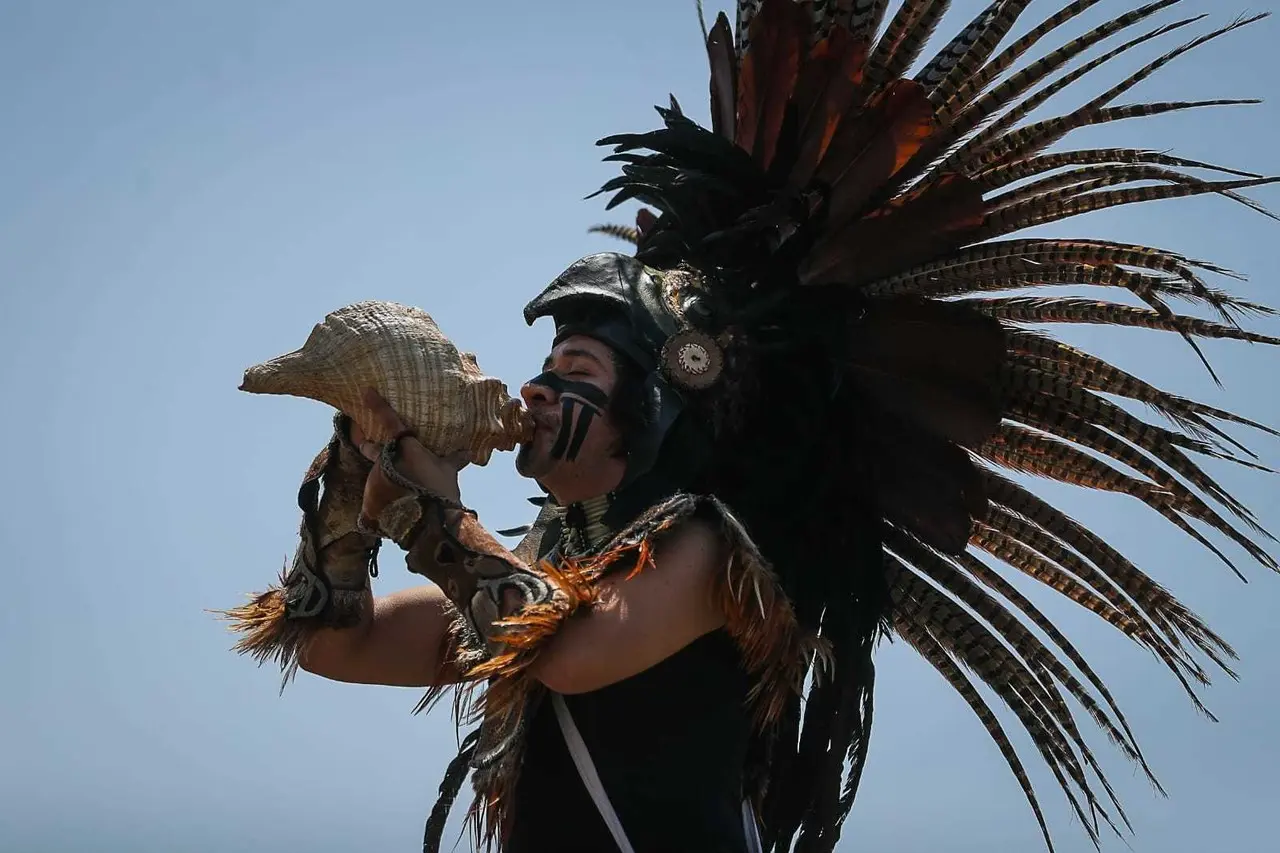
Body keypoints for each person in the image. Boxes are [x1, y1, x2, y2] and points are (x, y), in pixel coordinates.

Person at [225, 2, 1280, 852]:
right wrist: (351, 476)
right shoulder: (540, 559)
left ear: (660, 399)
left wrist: (438, 516)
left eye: (575, 370)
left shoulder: (711, 549)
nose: (537, 391)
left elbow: (577, 652)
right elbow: (338, 643)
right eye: (544, 367)